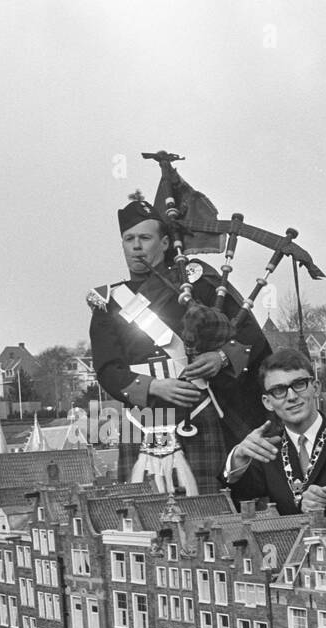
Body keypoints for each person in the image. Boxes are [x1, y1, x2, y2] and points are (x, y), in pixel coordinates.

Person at [89, 197, 270, 494]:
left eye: (145, 238)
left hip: (198, 410)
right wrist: (153, 387)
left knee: (208, 506)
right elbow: (108, 369)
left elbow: (251, 338)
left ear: (163, 243)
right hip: (142, 417)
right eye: (129, 239)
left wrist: (221, 357)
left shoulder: (197, 282)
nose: (136, 246)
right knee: (141, 511)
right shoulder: (107, 303)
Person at [222, 348, 326, 518]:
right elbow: (237, 505)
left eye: (299, 384)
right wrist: (237, 460)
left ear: (316, 388)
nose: (292, 396)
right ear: (268, 402)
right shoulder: (267, 450)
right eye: (279, 390)